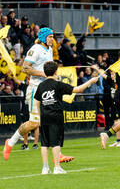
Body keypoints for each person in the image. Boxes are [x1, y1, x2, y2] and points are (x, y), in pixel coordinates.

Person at [2, 27, 74, 163]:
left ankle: (57, 154)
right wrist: (42, 74)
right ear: (43, 38)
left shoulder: (50, 49)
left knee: (51, 120)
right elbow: (25, 67)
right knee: (34, 122)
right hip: (36, 89)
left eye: (52, 36)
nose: (52, 39)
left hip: (47, 88)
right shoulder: (35, 49)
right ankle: (10, 142)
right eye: (50, 37)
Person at [35, 61, 99, 174]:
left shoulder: (41, 85)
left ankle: (45, 168)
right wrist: (91, 81)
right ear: (56, 72)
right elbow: (78, 89)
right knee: (56, 142)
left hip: (44, 117)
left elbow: (38, 102)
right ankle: (57, 167)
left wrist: (40, 116)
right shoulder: (58, 84)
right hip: (56, 116)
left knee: (44, 143)